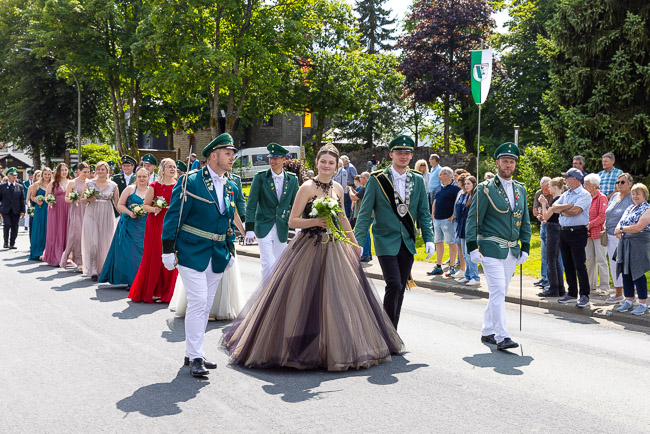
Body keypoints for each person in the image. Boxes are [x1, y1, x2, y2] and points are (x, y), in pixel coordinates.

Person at [222, 143, 404, 371]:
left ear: (337, 166)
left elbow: (344, 218)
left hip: (335, 247)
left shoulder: (338, 188)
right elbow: (292, 220)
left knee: (336, 298)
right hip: (309, 246)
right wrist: (315, 222)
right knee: (305, 295)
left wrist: (355, 243)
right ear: (317, 163)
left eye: (331, 163)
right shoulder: (306, 187)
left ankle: (330, 346)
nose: (327, 166)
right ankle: (301, 344)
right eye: (323, 162)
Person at [161, 133, 240, 377]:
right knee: (198, 301)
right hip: (191, 250)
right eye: (228, 154)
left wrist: (230, 249)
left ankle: (193, 352)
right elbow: (174, 216)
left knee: (205, 305)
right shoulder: (190, 181)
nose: (232, 159)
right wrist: (167, 249)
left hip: (216, 253)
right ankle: (196, 356)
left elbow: (227, 220)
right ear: (214, 156)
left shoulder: (231, 185)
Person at [354, 135, 435, 328]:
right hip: (384, 240)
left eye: (407, 153)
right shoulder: (377, 180)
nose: (404, 156)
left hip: (407, 241)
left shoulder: (417, 179)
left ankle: (392, 331)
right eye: (399, 152)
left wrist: (430, 238)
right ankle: (386, 331)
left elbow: (424, 212)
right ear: (391, 154)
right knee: (394, 284)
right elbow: (365, 214)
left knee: (401, 289)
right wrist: (356, 243)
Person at [466, 142, 531, 351]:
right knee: (497, 290)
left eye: (512, 162)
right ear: (497, 163)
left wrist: (526, 246)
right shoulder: (485, 189)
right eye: (505, 161)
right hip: (490, 247)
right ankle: (502, 336)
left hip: (512, 249)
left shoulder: (520, 189)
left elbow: (525, 220)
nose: (508, 165)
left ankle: (487, 331)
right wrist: (472, 246)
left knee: (499, 292)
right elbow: (472, 219)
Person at [244, 143, 299, 281]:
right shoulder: (260, 177)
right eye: (270, 158)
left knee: (281, 264)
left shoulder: (292, 180)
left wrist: (298, 225)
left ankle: (277, 296)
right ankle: (266, 298)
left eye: (276, 158)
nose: (272, 161)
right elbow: (251, 205)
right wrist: (249, 227)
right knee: (267, 263)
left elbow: (296, 205)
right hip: (263, 225)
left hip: (282, 226)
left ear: (283, 159)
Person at [129, 158, 178, 303]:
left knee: (172, 255)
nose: (173, 169)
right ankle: (153, 290)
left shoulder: (178, 186)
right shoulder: (154, 186)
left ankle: (168, 292)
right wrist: (155, 208)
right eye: (170, 166)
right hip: (156, 223)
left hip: (172, 222)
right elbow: (145, 206)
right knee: (156, 254)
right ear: (162, 169)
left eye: (174, 167)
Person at [99, 167, 149, 286]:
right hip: (129, 225)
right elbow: (120, 205)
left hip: (145, 225)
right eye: (139, 176)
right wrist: (130, 212)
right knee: (131, 253)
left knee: (144, 252)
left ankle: (142, 279)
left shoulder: (151, 190)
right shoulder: (130, 189)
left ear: (148, 178)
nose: (142, 179)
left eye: (144, 176)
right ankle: (132, 280)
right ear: (135, 178)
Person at [550, 168, 592, 307]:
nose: (565, 180)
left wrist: (562, 210)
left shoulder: (584, 194)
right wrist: (566, 207)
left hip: (577, 232)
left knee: (579, 264)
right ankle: (572, 292)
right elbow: (553, 207)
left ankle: (584, 294)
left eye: (567, 177)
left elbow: (576, 211)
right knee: (568, 264)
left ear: (574, 179)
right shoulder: (567, 194)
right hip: (564, 232)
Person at [614, 183, 650, 315]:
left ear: (644, 195)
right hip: (626, 241)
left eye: (638, 194)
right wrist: (618, 229)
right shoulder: (630, 207)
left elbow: (639, 227)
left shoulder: (648, 209)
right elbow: (621, 221)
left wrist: (621, 229)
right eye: (633, 194)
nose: (635, 196)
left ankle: (642, 303)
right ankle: (628, 300)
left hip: (639, 242)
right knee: (626, 271)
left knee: (637, 271)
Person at [80, 161, 118, 280]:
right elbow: (82, 200)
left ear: (107, 171)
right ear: (95, 171)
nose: (100, 171)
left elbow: (117, 203)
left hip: (107, 213)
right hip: (92, 213)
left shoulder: (113, 185)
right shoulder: (89, 183)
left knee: (105, 241)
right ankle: (93, 269)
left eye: (103, 169)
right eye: (98, 169)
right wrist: (88, 198)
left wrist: (124, 214)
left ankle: (104, 269)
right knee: (93, 242)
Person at [604, 173, 634, 303]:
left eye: (622, 182)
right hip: (610, 235)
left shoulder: (632, 198)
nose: (619, 185)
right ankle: (618, 293)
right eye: (618, 182)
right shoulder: (615, 196)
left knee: (626, 265)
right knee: (614, 264)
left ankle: (630, 295)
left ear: (630, 184)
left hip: (624, 236)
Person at [427, 167, 460, 277]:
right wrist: (433, 214)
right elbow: (435, 201)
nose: (439, 176)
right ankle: (438, 266)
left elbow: (458, 203)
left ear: (447, 175)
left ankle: (451, 267)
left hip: (447, 220)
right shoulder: (439, 188)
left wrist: (452, 215)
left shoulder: (455, 188)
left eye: (440, 174)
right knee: (438, 242)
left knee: (451, 243)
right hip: (437, 219)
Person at [538, 178, 567, 297]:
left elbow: (546, 216)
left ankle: (554, 288)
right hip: (557, 229)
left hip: (553, 230)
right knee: (555, 260)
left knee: (551, 259)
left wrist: (543, 204)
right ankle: (559, 287)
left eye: (549, 186)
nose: (548, 189)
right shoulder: (561, 199)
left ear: (555, 187)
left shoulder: (557, 200)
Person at [59, 162, 89, 271]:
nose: (86, 174)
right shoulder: (72, 183)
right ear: (79, 171)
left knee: (85, 236)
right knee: (76, 235)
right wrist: (73, 199)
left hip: (87, 211)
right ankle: (74, 258)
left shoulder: (90, 183)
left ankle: (83, 261)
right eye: (84, 172)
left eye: (88, 172)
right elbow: (66, 198)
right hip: (76, 210)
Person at [583, 173, 609, 295]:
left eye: (586, 184)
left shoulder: (602, 197)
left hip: (598, 233)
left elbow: (602, 216)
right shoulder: (586, 197)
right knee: (589, 259)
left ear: (594, 185)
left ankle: (604, 288)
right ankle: (590, 286)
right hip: (587, 234)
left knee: (601, 259)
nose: (584, 186)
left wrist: (589, 224)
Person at [42, 163, 71, 266]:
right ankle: (55, 256)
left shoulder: (71, 182)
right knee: (56, 231)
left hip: (68, 208)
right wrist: (49, 200)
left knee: (67, 231)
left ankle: (66, 256)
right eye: (62, 170)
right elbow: (46, 196)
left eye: (65, 170)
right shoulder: (53, 183)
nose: (64, 172)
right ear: (58, 172)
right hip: (55, 209)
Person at [456, 175, 480, 286]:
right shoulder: (465, 195)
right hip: (462, 225)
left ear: (474, 184)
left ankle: (475, 277)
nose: (466, 186)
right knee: (465, 254)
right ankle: (468, 275)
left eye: (468, 184)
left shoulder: (476, 196)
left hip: (470, 228)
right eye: (465, 184)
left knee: (470, 253)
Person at [349, 172, 372, 262]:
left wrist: (350, 191)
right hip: (370, 214)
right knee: (367, 233)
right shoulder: (368, 187)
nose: (360, 179)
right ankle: (368, 254)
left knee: (363, 234)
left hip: (364, 214)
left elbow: (354, 198)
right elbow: (359, 195)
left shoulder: (365, 187)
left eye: (361, 178)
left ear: (365, 178)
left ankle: (365, 255)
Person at [29, 168, 51, 260]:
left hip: (50, 209)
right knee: (39, 229)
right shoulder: (37, 184)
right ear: (42, 174)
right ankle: (37, 251)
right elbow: (32, 197)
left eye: (48, 174)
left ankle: (47, 252)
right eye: (45, 174)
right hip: (40, 209)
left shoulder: (52, 184)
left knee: (48, 229)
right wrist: (37, 200)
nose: (47, 176)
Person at [0, 168, 25, 249]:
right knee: (7, 224)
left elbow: (22, 200)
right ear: (8, 176)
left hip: (16, 210)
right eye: (13, 175)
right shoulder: (2, 186)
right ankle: (5, 242)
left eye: (16, 175)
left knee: (15, 227)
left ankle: (12, 243)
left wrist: (23, 211)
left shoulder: (20, 187)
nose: (15, 176)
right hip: (5, 210)